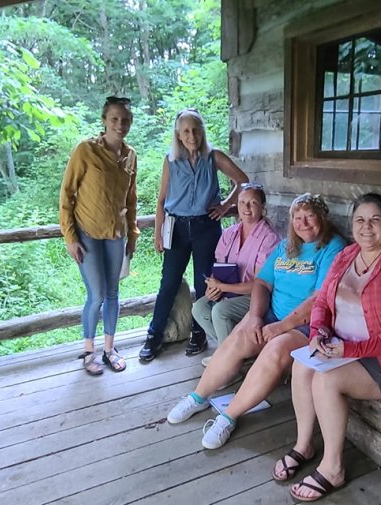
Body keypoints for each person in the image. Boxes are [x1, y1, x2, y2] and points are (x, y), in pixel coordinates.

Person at [277, 193, 381, 502]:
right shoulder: (346, 256)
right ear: (352, 224)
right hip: (340, 346)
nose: (367, 227)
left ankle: (333, 468)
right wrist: (319, 331)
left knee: (326, 379)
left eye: (375, 220)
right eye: (360, 220)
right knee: (301, 365)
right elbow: (322, 300)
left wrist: (350, 350)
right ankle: (304, 444)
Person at [164, 193, 345, 450]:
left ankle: (228, 416)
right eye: (297, 217)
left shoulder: (332, 247)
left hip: (307, 325)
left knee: (274, 350)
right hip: (272, 314)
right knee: (239, 337)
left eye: (310, 216)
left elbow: (320, 298)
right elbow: (262, 282)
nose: (303, 223)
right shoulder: (286, 246)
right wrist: (256, 317)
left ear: (322, 218)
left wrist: (281, 327)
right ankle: (198, 397)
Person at [139, 108, 249, 362]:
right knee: (168, 283)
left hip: (206, 227)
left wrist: (224, 207)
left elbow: (242, 180)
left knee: (204, 284)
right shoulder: (170, 160)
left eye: (196, 130)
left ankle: (198, 333)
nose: (192, 135)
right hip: (176, 228)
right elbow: (161, 199)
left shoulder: (214, 157)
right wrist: (157, 233)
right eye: (186, 131)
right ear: (178, 134)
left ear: (202, 132)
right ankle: (154, 335)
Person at [58, 96, 139, 376]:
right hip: (87, 233)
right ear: (104, 120)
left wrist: (133, 234)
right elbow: (67, 194)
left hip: (116, 234)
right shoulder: (86, 150)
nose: (120, 124)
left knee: (114, 293)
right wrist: (70, 237)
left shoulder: (130, 155)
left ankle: (109, 349)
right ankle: (88, 351)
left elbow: (131, 198)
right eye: (114, 119)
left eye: (125, 120)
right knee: (97, 294)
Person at [191, 182, 281, 365]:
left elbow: (261, 284)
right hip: (229, 291)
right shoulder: (229, 233)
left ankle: (227, 365)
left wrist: (224, 287)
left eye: (253, 203)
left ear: (263, 207)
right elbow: (219, 269)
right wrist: (213, 288)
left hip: (257, 297)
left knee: (221, 311)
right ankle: (234, 352)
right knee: (199, 308)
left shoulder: (269, 238)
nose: (246, 208)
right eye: (242, 203)